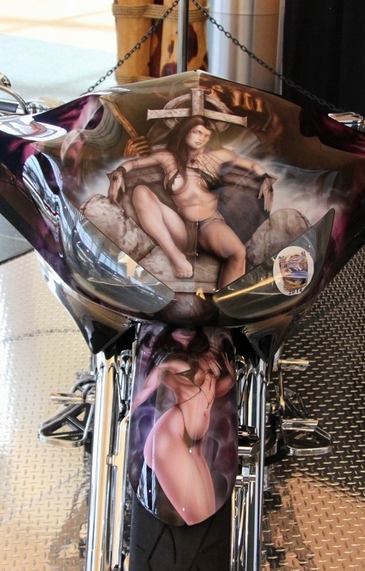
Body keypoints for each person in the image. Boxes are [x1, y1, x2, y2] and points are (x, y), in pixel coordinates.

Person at [107, 115, 275, 288]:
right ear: (186, 132)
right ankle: (175, 257)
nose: (202, 138)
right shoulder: (167, 158)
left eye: (206, 135)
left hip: (210, 224)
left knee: (238, 253)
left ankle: (227, 301)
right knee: (141, 192)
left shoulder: (219, 156)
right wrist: (119, 172)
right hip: (180, 227)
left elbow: (252, 165)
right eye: (197, 132)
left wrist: (266, 179)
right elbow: (135, 164)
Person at [132, 329, 235, 525]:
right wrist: (130, 408)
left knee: (208, 514)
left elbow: (215, 392)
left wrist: (230, 376)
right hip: (170, 437)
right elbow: (148, 387)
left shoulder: (207, 364)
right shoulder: (173, 364)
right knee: (199, 517)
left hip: (195, 444)